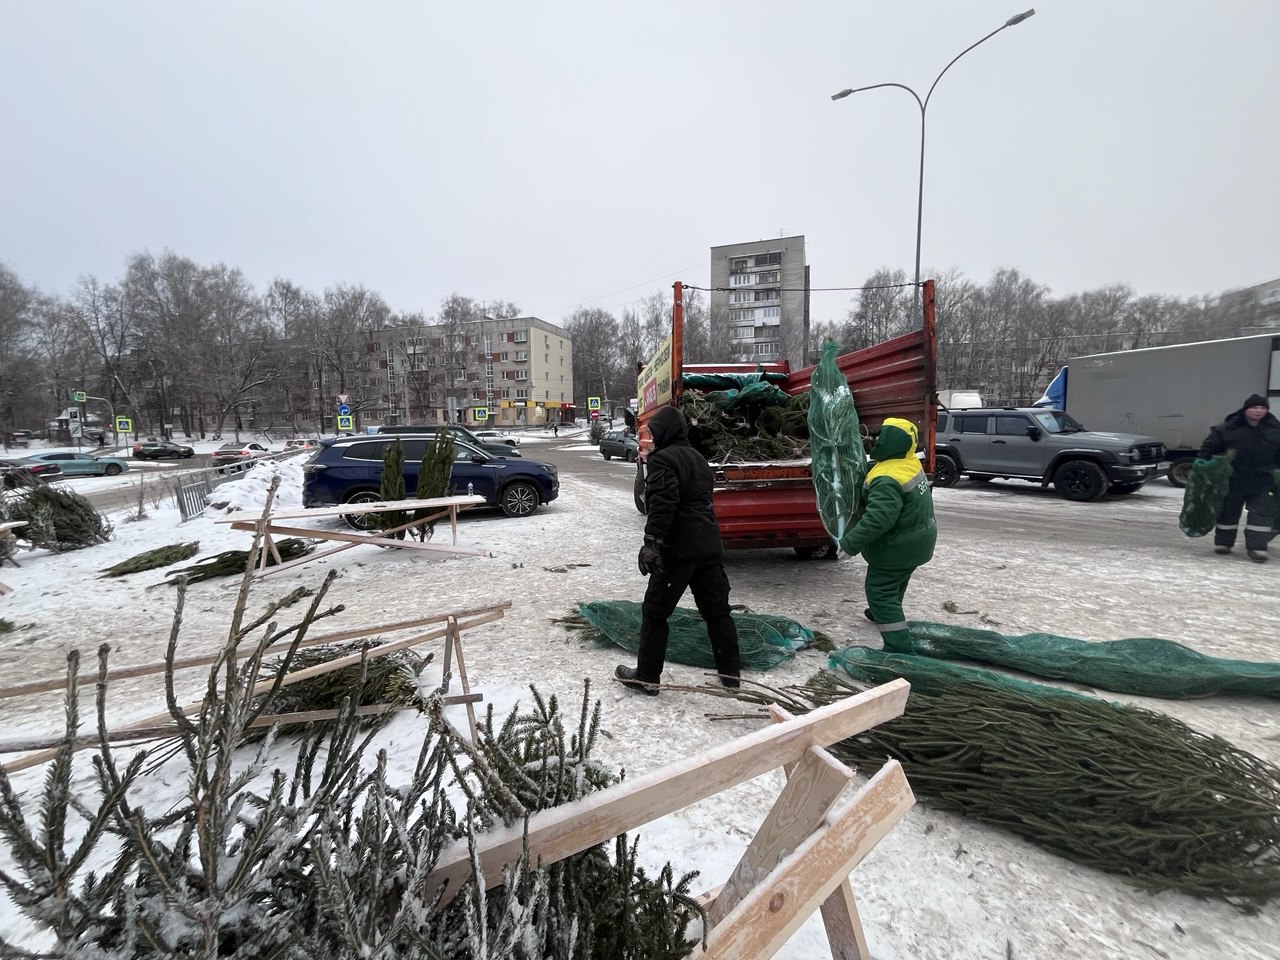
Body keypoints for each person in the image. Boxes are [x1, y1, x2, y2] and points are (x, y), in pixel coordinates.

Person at [616, 405, 741, 695]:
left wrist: (651, 542)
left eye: (655, 431)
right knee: (718, 612)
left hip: (678, 550)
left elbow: (663, 503)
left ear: (665, 432)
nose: (654, 437)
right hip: (708, 546)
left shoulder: (663, 460)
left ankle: (646, 678)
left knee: (655, 613)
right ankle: (732, 676)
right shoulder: (699, 459)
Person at [844, 417, 937, 652]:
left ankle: (898, 648)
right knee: (897, 582)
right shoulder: (907, 462)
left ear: (891, 441)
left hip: (897, 547)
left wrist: (849, 543)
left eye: (881, 436)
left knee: (881, 590)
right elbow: (881, 466)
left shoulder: (886, 479)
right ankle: (882, 614)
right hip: (918, 542)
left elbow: (878, 519)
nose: (876, 440)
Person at [1199, 394, 1280, 563]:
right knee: (1228, 512)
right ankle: (1223, 543)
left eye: (1262, 408)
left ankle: (1257, 548)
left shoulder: (1275, 430)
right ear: (1246, 409)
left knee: (1262, 515)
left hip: (1263, 480)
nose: (1259, 411)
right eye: (1254, 407)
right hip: (1233, 479)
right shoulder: (1227, 429)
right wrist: (1204, 463)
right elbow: (1209, 448)